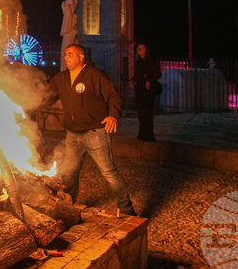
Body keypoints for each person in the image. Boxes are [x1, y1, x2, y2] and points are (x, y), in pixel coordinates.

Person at [41, 43, 137, 216]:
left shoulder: (95, 75)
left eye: (70, 54)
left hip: (96, 134)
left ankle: (127, 209)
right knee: (69, 174)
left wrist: (113, 115)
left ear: (81, 57)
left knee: (109, 172)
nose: (66, 57)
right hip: (72, 135)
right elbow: (45, 98)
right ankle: (67, 207)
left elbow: (114, 96)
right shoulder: (60, 79)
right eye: (65, 54)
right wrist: (25, 105)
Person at [131, 43, 161, 141]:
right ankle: (142, 134)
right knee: (141, 113)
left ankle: (148, 135)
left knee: (147, 113)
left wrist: (149, 80)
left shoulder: (150, 61)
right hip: (140, 90)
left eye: (142, 49)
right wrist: (132, 79)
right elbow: (138, 74)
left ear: (146, 50)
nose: (140, 50)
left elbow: (157, 73)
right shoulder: (138, 62)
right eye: (138, 49)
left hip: (147, 92)